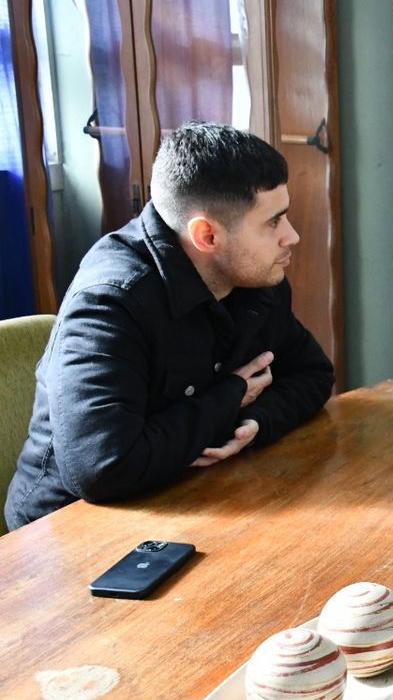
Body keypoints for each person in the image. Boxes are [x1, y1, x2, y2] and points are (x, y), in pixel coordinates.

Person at [5, 122, 335, 530]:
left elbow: (313, 374)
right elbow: (103, 468)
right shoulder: (110, 302)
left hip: (189, 497)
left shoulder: (254, 280)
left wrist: (256, 421)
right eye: (273, 222)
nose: (292, 236)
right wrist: (230, 396)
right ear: (207, 235)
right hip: (70, 535)